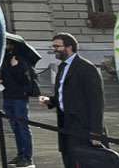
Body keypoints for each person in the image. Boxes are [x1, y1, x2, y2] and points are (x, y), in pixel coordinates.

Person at [40, 33, 106, 168]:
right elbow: (63, 95)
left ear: (69, 47)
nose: (54, 49)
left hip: (82, 126)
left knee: (84, 162)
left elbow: (96, 102)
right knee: (69, 160)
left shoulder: (86, 68)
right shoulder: (62, 67)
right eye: (53, 46)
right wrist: (50, 101)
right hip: (65, 123)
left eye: (57, 46)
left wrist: (95, 132)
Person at [0, 41, 34, 167]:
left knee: (22, 127)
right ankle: (20, 154)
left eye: (8, 44)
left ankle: (27, 157)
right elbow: (4, 76)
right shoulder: (5, 59)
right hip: (7, 96)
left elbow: (25, 81)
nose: (5, 46)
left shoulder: (21, 60)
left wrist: (16, 67)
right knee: (15, 127)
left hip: (19, 98)